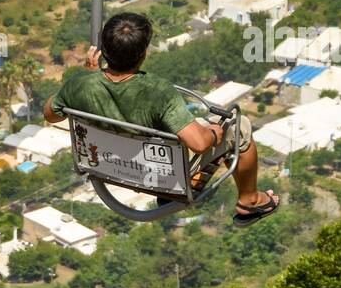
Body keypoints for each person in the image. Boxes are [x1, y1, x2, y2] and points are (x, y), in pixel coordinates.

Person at [43, 12, 280, 225]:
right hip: (157, 170)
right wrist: (215, 134)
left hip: (108, 164)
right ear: (143, 53)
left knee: (197, 128)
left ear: (103, 49)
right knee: (238, 127)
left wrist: (88, 78)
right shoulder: (158, 91)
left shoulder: (80, 85)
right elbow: (199, 144)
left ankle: (182, 186)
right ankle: (249, 200)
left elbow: (50, 114)